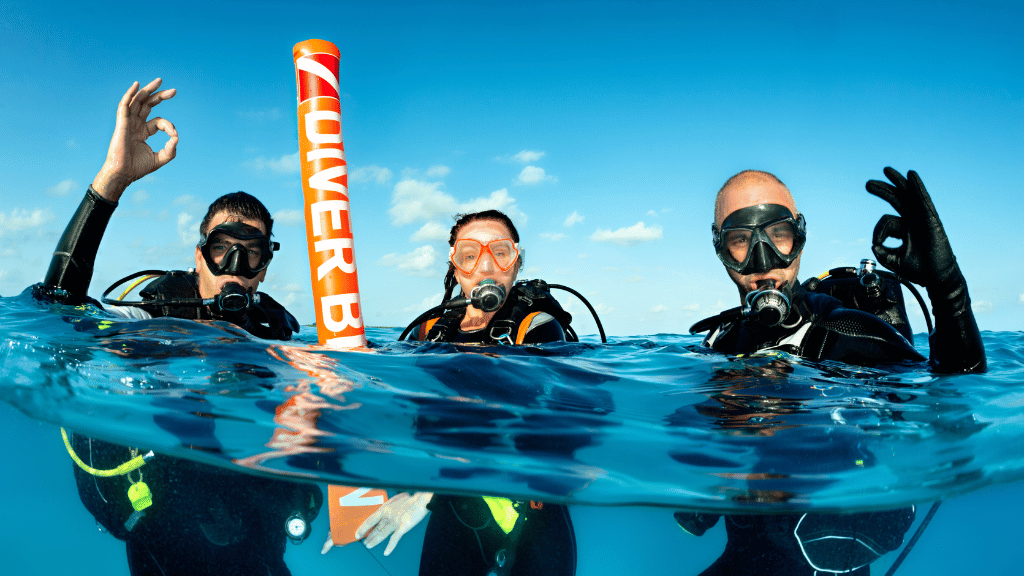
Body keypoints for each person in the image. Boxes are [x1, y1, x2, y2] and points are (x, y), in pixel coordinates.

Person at [35, 78, 321, 576]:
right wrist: (111, 182)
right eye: (221, 249)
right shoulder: (154, 318)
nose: (235, 266)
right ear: (199, 256)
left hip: (255, 537)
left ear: (264, 269)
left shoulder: (277, 334)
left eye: (252, 254)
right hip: (166, 537)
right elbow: (59, 313)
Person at [679, 169, 985, 575]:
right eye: (740, 240)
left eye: (778, 234)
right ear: (720, 248)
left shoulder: (850, 333)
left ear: (800, 237)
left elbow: (956, 400)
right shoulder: (720, 343)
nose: (762, 260)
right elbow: (688, 492)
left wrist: (948, 290)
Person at [340, 210, 580, 576]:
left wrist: (427, 494)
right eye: (469, 255)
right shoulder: (429, 331)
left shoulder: (537, 328)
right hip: (455, 507)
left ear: (517, 263)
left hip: (532, 507)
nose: (486, 267)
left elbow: (528, 425)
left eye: (500, 253)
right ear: (455, 267)